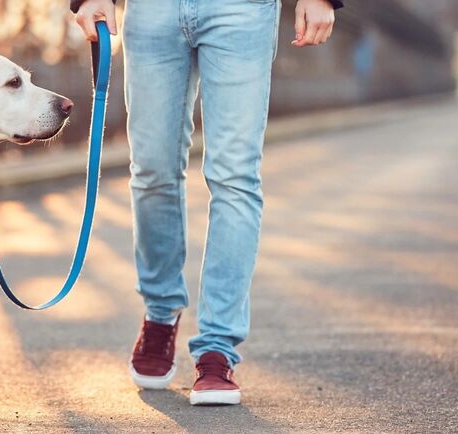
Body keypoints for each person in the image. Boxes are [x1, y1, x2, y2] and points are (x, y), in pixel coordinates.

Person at [70, 0, 343, 405]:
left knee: (235, 176)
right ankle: (161, 312)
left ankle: (217, 348)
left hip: (243, 10)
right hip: (152, 11)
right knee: (152, 171)